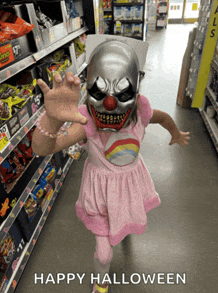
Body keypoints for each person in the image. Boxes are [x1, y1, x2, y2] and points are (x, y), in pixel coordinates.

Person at [32, 40, 190, 293]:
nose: (110, 104)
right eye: (100, 93)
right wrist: (51, 119)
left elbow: (162, 118)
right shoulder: (87, 122)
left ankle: (122, 227)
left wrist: (175, 132)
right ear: (88, 88)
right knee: (104, 254)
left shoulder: (141, 111)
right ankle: (101, 283)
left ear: (136, 95)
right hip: (100, 193)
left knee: (123, 220)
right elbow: (42, 149)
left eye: (123, 94)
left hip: (129, 184)